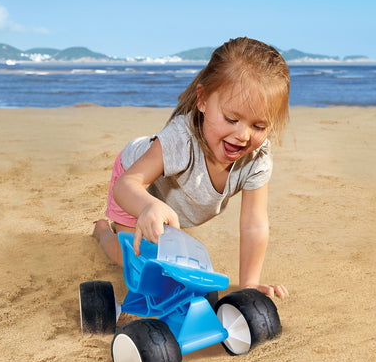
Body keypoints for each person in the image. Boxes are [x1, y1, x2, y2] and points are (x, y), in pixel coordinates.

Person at [91, 37, 290, 299]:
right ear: (203, 100)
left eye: (259, 126)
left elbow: (254, 224)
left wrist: (249, 284)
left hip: (172, 204)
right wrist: (148, 206)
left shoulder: (257, 159)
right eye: (231, 118)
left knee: (170, 256)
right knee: (132, 259)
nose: (243, 135)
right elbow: (126, 186)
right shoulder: (180, 141)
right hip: (138, 183)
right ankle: (103, 231)